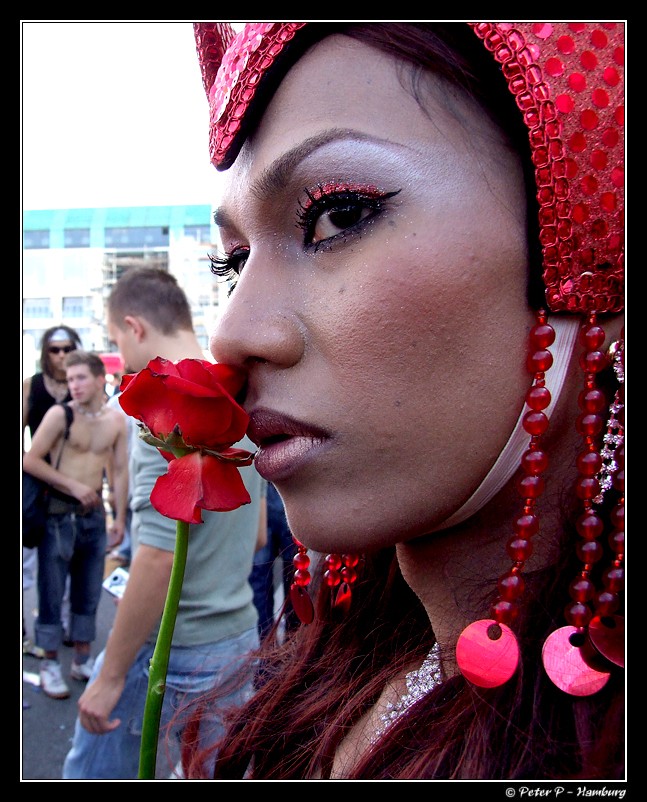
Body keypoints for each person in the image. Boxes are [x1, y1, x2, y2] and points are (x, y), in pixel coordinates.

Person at [180, 23, 625, 780]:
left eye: (338, 215)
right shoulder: (347, 667)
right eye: (232, 263)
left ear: (590, 252)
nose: (232, 337)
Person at [63, 266, 267, 779]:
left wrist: (109, 676)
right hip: (239, 637)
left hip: (178, 642)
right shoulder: (240, 399)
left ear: (133, 328)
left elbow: (157, 555)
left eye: (114, 339)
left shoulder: (165, 402)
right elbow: (259, 534)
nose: (122, 353)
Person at [23, 350, 129, 700]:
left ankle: (81, 658)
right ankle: (50, 662)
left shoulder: (115, 421)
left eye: (81, 378)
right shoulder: (60, 414)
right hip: (58, 512)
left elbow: (119, 470)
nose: (74, 385)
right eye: (70, 380)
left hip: (94, 517)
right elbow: (30, 460)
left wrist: (121, 518)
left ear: (100, 379)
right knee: (51, 591)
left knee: (87, 589)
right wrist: (74, 486)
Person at [22, 325, 83, 655]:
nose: (61, 355)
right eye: (54, 349)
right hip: (35, 482)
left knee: (68, 558)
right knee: (29, 559)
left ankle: (61, 626)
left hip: (74, 487)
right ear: (45, 352)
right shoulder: (31, 385)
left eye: (67, 348)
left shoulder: (83, 384)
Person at [249, 483, 298, 643]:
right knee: (295, 579)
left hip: (281, 491)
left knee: (295, 579)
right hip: (264, 492)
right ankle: (286, 650)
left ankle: (281, 651)